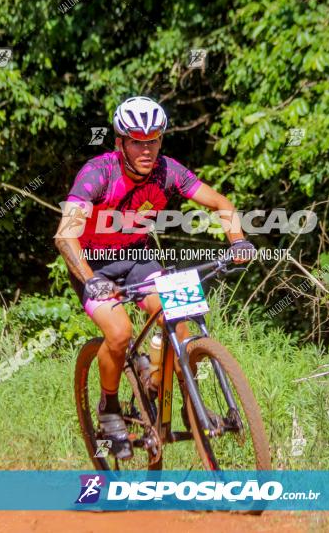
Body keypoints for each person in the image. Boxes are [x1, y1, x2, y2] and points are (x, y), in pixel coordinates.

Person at [54, 96, 256, 459]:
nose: (146, 149)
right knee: (119, 333)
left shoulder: (168, 171)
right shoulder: (98, 173)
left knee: (181, 319)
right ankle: (110, 407)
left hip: (137, 257)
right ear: (120, 143)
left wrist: (238, 240)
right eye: (136, 140)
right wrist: (90, 279)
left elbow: (222, 204)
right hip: (93, 264)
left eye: (153, 140)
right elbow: (64, 237)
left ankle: (182, 399)